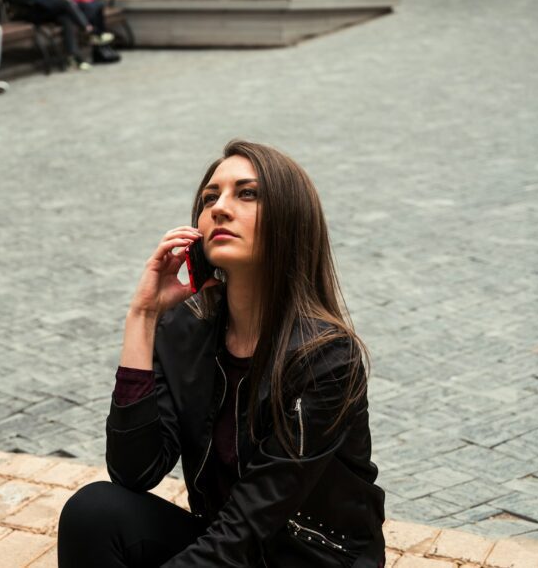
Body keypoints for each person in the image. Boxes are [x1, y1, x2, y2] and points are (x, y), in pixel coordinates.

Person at [57, 140, 387, 567]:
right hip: (233, 548)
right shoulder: (185, 329)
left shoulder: (325, 358)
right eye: (210, 197)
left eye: (246, 193)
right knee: (95, 511)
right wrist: (142, 316)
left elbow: (247, 529)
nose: (220, 208)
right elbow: (133, 470)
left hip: (307, 559)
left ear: (290, 219)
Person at [4, 0, 114, 71]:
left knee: (66, 18)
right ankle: (90, 32)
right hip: (28, 12)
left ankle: (74, 58)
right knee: (65, 4)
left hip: (43, 8)